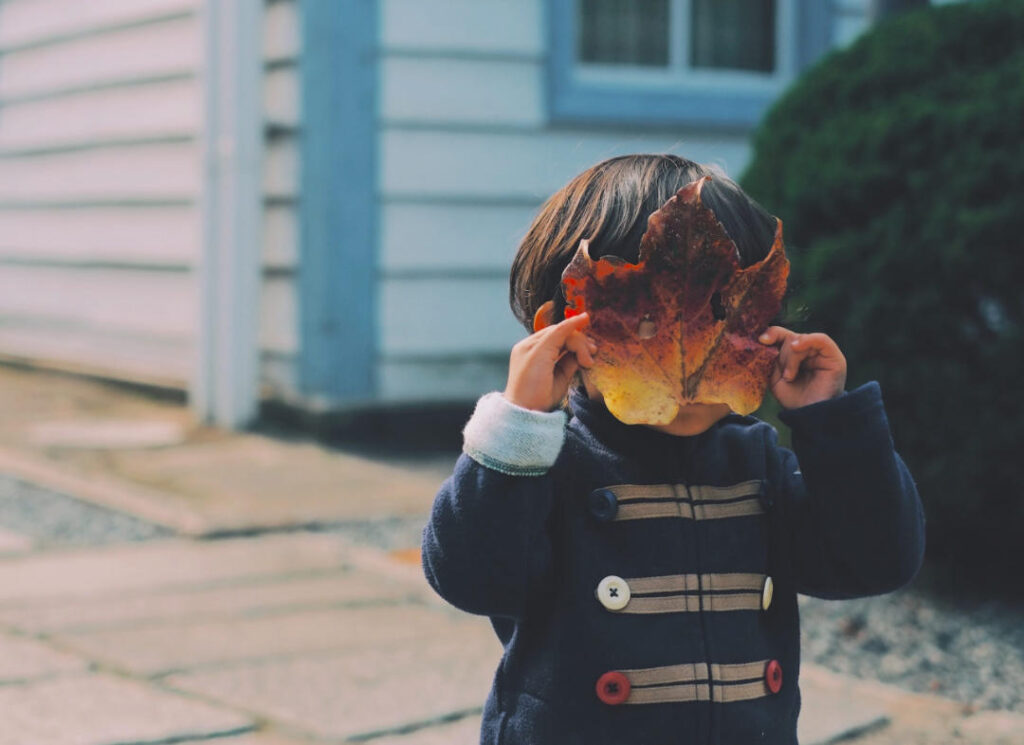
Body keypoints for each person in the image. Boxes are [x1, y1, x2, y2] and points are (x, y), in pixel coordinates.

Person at [421, 154, 925, 745]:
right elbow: (470, 577)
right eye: (643, 324)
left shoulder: (759, 463)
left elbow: (875, 560)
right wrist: (518, 425)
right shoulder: (546, 466)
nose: (687, 354)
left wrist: (829, 422)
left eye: (721, 315)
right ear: (563, 333)